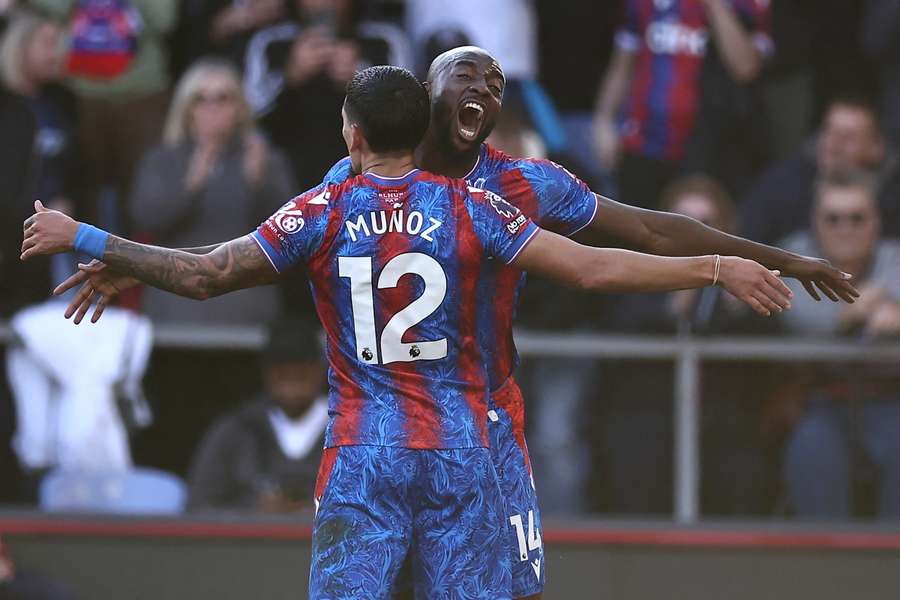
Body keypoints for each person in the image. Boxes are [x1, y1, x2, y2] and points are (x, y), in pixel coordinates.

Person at [52, 47, 857, 600]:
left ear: (357, 132)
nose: (481, 93)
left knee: (514, 584)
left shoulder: (461, 187)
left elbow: (645, 230)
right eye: (463, 78)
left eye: (496, 84)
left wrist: (773, 258)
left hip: (478, 420)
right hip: (450, 433)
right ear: (425, 97)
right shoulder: (476, 207)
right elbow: (602, 265)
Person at [129, 58, 293, 326]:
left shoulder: (265, 160)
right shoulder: (162, 161)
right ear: (187, 109)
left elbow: (291, 236)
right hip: (176, 304)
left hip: (246, 306)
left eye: (223, 98)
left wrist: (259, 183)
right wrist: (192, 182)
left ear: (239, 108)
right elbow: (146, 219)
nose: (212, 108)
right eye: (201, 99)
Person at [777, 170, 900, 519]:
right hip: (820, 401)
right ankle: (822, 572)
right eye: (833, 218)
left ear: (876, 221)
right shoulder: (794, 256)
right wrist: (859, 310)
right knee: (812, 452)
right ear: (816, 222)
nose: (845, 228)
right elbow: (798, 316)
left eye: (857, 218)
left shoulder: (895, 257)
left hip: (892, 399)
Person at [593, 0, 771, 208]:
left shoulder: (746, 5)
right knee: (636, 229)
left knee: (696, 231)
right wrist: (604, 119)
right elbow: (623, 64)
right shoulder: (642, 4)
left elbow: (745, 68)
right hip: (643, 140)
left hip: (709, 147)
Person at [187, 317, 327, 513]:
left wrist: (320, 512)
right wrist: (254, 510)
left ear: (321, 371)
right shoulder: (233, 431)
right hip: (245, 543)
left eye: (301, 373)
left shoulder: (349, 431)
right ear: (266, 372)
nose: (292, 383)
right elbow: (198, 507)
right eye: (282, 373)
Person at [741, 95, 900, 244]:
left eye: (848, 137)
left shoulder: (893, 196)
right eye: (830, 131)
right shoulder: (780, 187)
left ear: (876, 148)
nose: (834, 145)